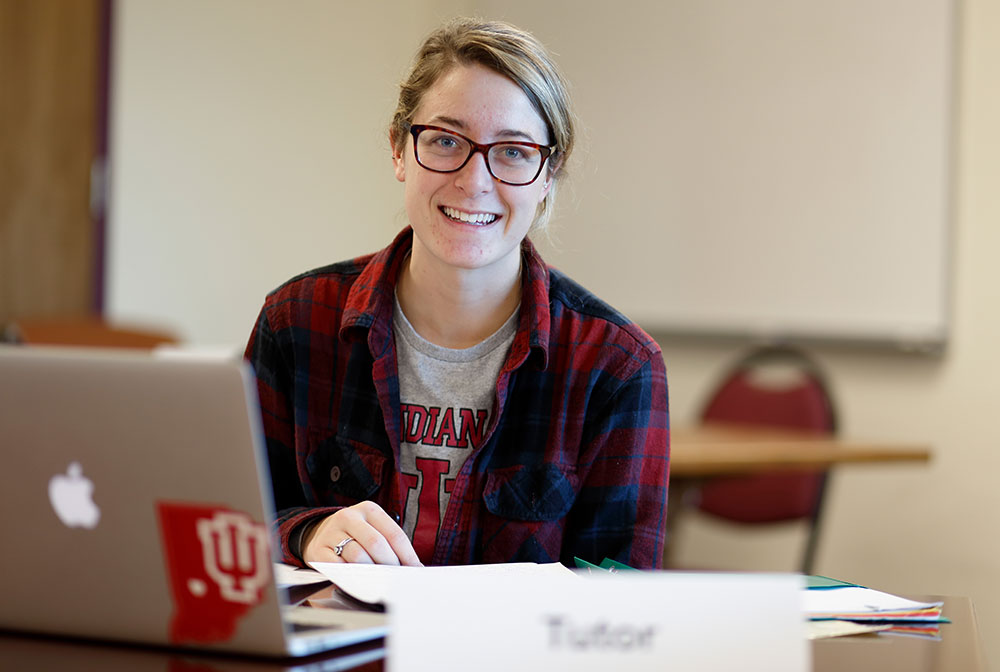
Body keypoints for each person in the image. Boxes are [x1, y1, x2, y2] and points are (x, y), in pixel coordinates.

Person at [244, 17, 669, 570]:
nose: (475, 181)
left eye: (513, 151)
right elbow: (224, 520)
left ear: (548, 175)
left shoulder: (615, 366)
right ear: (399, 149)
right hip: (333, 654)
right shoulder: (296, 321)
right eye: (446, 141)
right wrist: (305, 533)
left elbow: (621, 600)